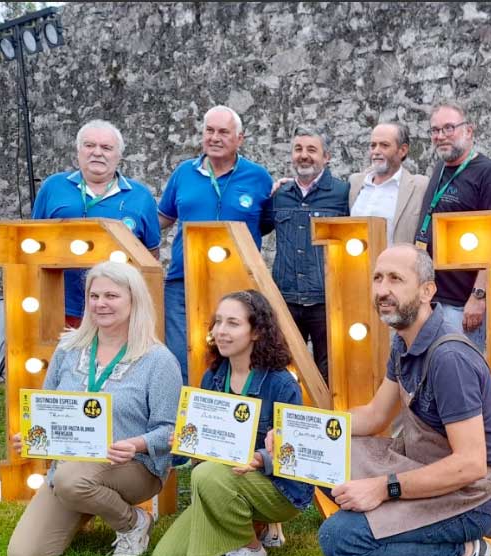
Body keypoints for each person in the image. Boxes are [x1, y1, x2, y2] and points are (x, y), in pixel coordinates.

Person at [317, 244, 491, 556]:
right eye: (377, 278)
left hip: (470, 498)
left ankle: (462, 552)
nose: (382, 290)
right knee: (326, 458)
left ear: (427, 290)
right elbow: (375, 415)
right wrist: (304, 432)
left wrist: (382, 488)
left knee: (339, 538)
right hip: (424, 474)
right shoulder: (403, 342)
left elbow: (470, 465)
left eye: (395, 279)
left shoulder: (449, 358)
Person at [6, 261, 182, 556]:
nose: (100, 304)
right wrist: (33, 438)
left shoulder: (158, 360)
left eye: (111, 296)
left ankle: (132, 524)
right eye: (94, 295)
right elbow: (46, 409)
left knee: (72, 480)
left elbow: (170, 430)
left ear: (134, 300)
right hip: (69, 470)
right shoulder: (68, 349)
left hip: (132, 467)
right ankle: (86, 504)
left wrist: (137, 444)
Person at [151, 290, 313, 556]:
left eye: (233, 323)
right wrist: (188, 442)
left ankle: (251, 547)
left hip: (278, 489)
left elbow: (296, 454)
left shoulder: (281, 383)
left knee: (206, 474)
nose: (220, 331)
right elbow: (203, 451)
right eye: (218, 322)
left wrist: (262, 458)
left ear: (257, 332)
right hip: (220, 482)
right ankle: (254, 525)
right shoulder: (212, 377)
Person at [158, 106, 274, 381]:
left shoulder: (258, 177)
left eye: (223, 132)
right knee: (180, 358)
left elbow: (266, 223)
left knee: (238, 357)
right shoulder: (183, 173)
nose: (215, 137)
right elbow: (161, 219)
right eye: (209, 130)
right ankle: (183, 420)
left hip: (238, 284)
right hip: (182, 283)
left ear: (240, 138)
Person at [32, 120, 161, 328]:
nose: (97, 152)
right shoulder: (52, 187)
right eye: (89, 145)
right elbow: (32, 242)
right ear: (78, 151)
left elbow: (151, 255)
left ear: (119, 155)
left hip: (117, 312)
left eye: (106, 148)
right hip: (61, 307)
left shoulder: (141, 196)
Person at [414, 103, 491, 352]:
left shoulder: (489, 174)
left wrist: (479, 296)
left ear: (468, 130)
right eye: (435, 130)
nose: (441, 136)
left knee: (461, 378)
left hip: (462, 303)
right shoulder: (439, 169)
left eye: (449, 128)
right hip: (432, 299)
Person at [260, 127, 349, 381]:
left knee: (330, 372)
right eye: (298, 149)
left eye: (312, 149)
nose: (304, 155)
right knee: (284, 370)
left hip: (326, 300)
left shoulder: (343, 194)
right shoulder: (279, 196)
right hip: (286, 299)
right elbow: (258, 227)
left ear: (327, 157)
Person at [348, 122, 429, 246]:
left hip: (397, 264)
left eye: (384, 145)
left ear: (402, 150)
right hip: (357, 263)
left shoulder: (420, 186)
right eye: (373, 145)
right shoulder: (355, 183)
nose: (376, 151)